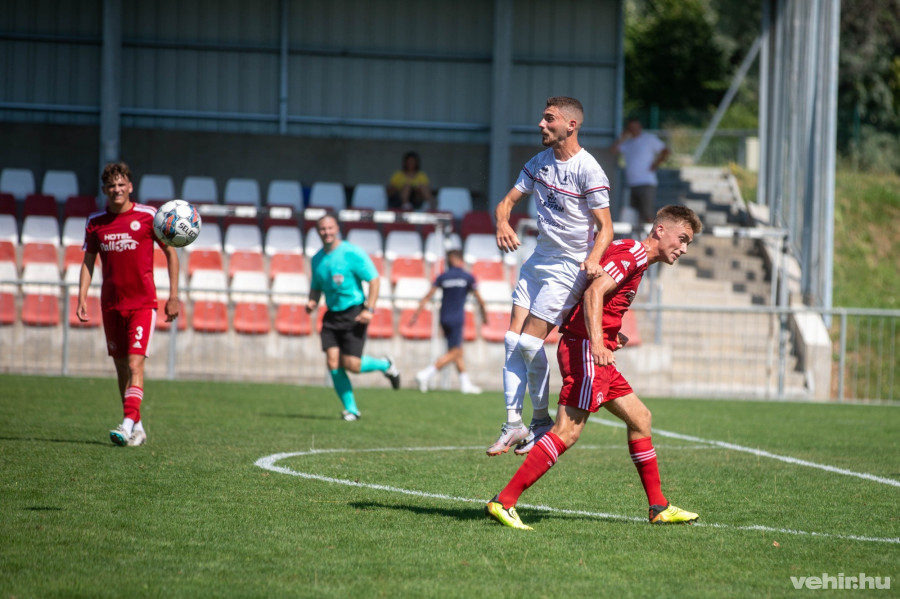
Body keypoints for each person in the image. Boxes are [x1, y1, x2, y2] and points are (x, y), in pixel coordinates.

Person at [485, 205, 703, 530]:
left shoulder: (633, 256)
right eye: (682, 239)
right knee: (567, 432)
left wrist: (613, 332)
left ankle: (658, 506)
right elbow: (594, 293)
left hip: (593, 348)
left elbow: (600, 293)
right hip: (588, 351)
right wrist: (599, 341)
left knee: (641, 418)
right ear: (660, 230)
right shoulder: (631, 254)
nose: (683, 249)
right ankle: (504, 501)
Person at [490, 96, 614, 457]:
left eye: (549, 119)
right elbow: (506, 203)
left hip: (568, 266)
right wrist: (502, 222)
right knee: (512, 342)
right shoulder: (539, 163)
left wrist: (593, 259)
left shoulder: (589, 169)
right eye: (542, 119)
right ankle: (514, 424)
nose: (541, 125)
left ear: (570, 125)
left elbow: (605, 228)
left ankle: (541, 421)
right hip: (538, 260)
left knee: (529, 345)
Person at [76, 162, 180, 447]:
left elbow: (172, 254)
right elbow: (88, 262)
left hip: (143, 304)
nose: (117, 189)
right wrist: (82, 296)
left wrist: (173, 296)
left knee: (135, 364)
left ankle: (125, 425)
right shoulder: (95, 222)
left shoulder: (148, 216)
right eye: (111, 185)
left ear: (130, 186)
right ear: (104, 190)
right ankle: (138, 425)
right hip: (111, 305)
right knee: (121, 368)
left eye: (122, 184)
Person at [305, 214, 401, 420]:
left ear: (337, 228)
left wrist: (370, 309)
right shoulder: (317, 259)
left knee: (352, 365)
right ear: (317, 231)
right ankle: (352, 410)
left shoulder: (351, 253)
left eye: (330, 228)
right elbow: (316, 288)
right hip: (331, 316)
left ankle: (386, 365)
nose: (327, 232)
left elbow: (374, 280)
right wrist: (312, 301)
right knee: (332, 362)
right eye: (322, 229)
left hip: (354, 314)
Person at [411, 249, 489, 394]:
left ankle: (465, 384)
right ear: (460, 260)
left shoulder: (443, 276)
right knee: (455, 352)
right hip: (457, 318)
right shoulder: (467, 277)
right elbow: (479, 299)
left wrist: (416, 313)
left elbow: (428, 295)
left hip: (444, 317)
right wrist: (485, 315)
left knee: (457, 350)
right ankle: (425, 374)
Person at [610, 117, 670, 226]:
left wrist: (656, 164)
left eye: (635, 127)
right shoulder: (627, 143)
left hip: (646, 182)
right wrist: (622, 137)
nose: (633, 130)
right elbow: (613, 150)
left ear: (640, 127)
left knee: (647, 215)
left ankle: (652, 239)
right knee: (633, 216)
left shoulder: (649, 139)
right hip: (632, 184)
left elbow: (665, 151)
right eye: (631, 128)